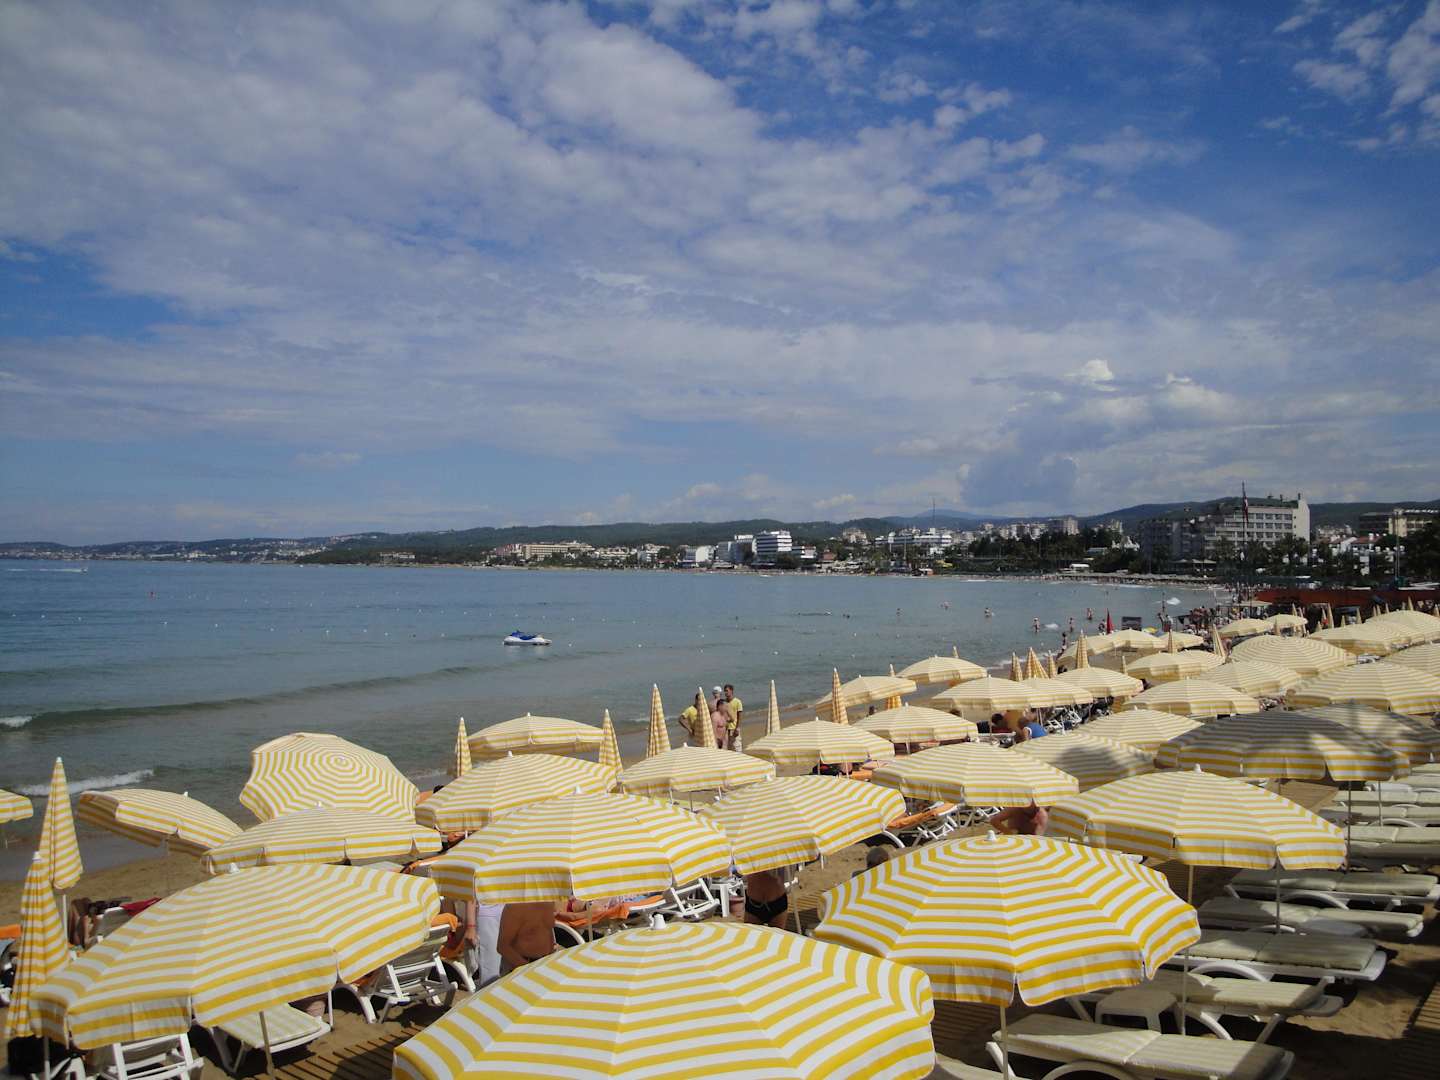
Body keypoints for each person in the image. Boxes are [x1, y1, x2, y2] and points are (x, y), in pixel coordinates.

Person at [496, 901, 557, 974]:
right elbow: (502, 946)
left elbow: (548, 929)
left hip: (544, 963)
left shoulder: (548, 902)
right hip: (519, 967)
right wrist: (529, 969)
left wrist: (550, 959)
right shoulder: (515, 906)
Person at [723, 684, 744, 750]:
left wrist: (737, 728)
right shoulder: (723, 702)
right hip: (726, 729)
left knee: (737, 747)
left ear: (731, 691)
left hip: (734, 728)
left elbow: (739, 716)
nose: (725, 692)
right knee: (728, 748)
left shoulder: (737, 702)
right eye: (724, 691)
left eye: (727, 691)